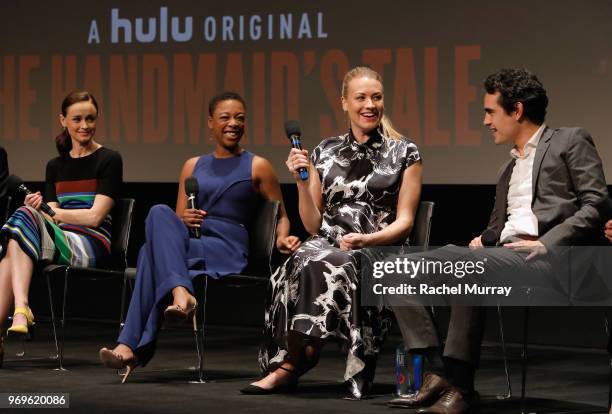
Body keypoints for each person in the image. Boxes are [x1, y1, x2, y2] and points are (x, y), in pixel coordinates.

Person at [387, 68, 609, 413]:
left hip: (550, 260)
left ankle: (461, 384)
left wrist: (548, 242)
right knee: (395, 268)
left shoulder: (569, 141)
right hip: (502, 258)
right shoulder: (507, 170)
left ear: (516, 110)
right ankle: (437, 370)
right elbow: (498, 229)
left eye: (490, 111)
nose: (486, 121)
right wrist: (484, 238)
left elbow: (597, 204)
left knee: (469, 265)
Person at [242, 66, 422, 398]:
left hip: (377, 247)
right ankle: (295, 359)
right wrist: (301, 179)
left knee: (327, 261)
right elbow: (312, 223)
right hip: (328, 241)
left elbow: (405, 222)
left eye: (377, 97)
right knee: (301, 259)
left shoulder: (404, 152)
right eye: (361, 97)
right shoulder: (326, 151)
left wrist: (367, 239)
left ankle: (295, 363)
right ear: (344, 103)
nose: (370, 105)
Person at [99, 91, 300, 382]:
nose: (233, 123)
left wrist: (282, 238)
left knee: (148, 256)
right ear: (210, 123)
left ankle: (130, 345)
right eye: (225, 117)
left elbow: (281, 215)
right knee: (158, 212)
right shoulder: (192, 165)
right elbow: (177, 219)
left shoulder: (258, 165)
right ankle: (182, 295)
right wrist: (184, 218)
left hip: (226, 246)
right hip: (193, 241)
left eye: (240, 118)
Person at [0, 91, 123, 368]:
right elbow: (53, 219)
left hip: (92, 244)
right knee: (21, 224)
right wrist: (40, 208)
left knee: (18, 231)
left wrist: (48, 210)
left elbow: (94, 217)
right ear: (63, 121)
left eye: (90, 119)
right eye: (77, 119)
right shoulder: (55, 166)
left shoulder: (109, 159)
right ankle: (20, 308)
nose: (84, 126)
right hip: (60, 239)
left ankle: (19, 313)